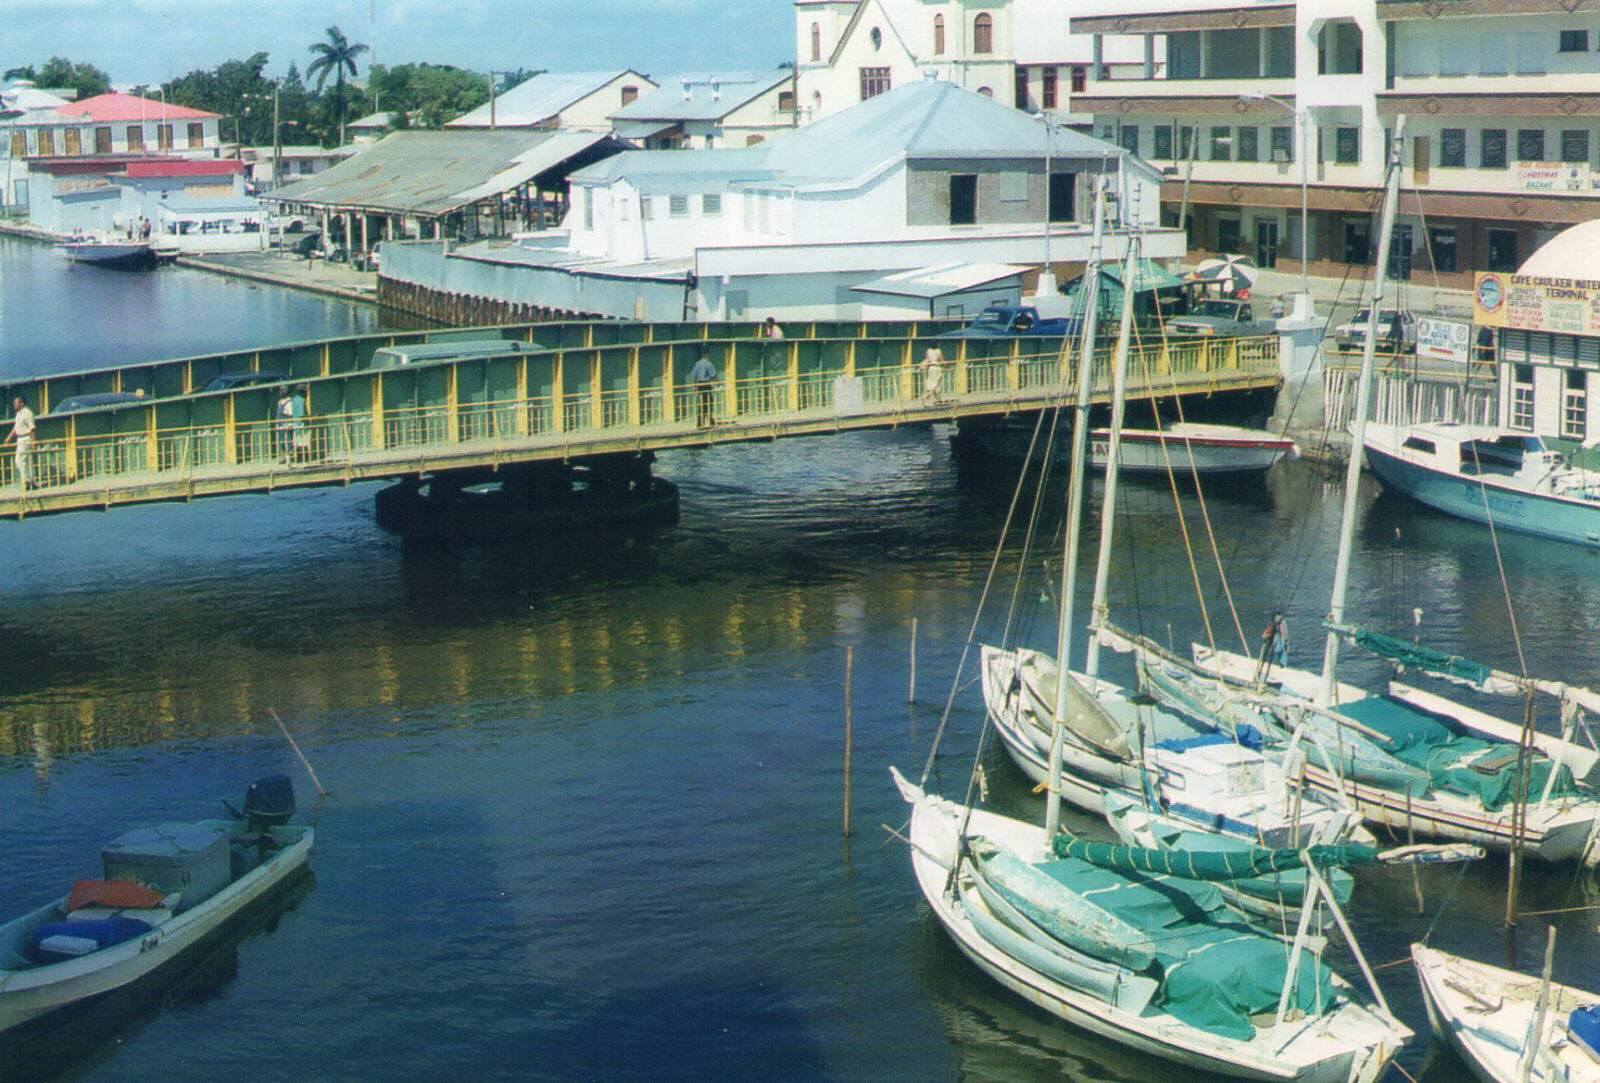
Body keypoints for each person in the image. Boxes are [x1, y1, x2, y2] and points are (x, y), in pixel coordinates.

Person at [4, 395, 36, 490]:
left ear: (21, 403)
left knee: (19, 461)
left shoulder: (27, 413)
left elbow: (32, 428)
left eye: (16, 402)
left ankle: (27, 481)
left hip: (26, 438)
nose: (14, 404)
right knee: (26, 461)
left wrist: (34, 442)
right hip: (20, 439)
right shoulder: (18, 414)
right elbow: (16, 427)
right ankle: (32, 482)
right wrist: (9, 438)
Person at [689, 352, 718, 428]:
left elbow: (694, 376)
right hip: (706, 385)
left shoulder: (697, 364)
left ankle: (700, 423)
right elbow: (713, 375)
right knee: (708, 403)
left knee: (701, 404)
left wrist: (694, 386)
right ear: (707, 355)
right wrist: (718, 383)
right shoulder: (708, 364)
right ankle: (710, 421)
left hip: (700, 385)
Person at [276, 389, 296, 461]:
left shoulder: (289, 402)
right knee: (281, 441)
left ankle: (291, 456)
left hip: (286, 424)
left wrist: (290, 424)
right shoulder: (280, 402)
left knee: (289, 440)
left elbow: (290, 415)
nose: (281, 392)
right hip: (280, 424)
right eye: (280, 391)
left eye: (282, 391)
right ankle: (285, 455)